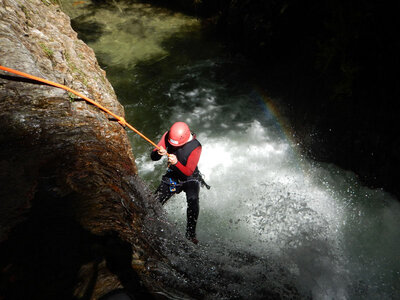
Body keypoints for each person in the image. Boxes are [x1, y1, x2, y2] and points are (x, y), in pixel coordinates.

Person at [151, 121, 208, 244]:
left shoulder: (196, 146)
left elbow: (188, 171)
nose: (174, 147)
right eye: (173, 145)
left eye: (177, 146)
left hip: (190, 177)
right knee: (154, 203)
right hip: (173, 175)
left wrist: (176, 163)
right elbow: (153, 157)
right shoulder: (168, 135)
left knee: (193, 200)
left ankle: (190, 233)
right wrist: (158, 153)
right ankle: (151, 223)